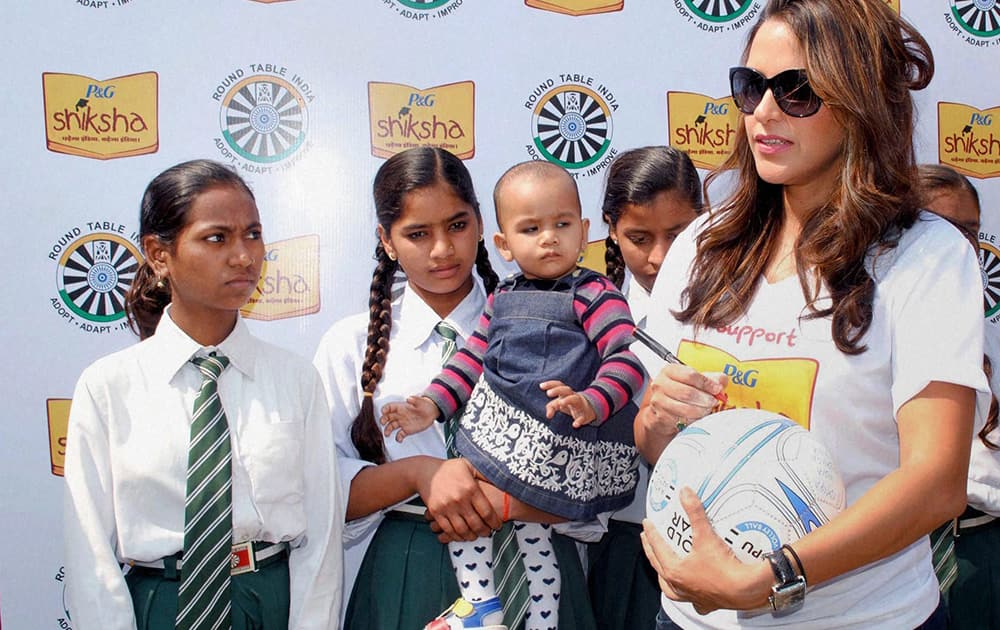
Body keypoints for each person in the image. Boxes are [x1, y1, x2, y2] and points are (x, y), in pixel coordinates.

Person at [633, 1, 991, 628]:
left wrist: (774, 577)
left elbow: (937, 481)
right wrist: (661, 419)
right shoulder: (701, 242)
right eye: (750, 87)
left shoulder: (926, 256)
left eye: (796, 90)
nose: (764, 112)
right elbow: (655, 444)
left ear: (863, 103)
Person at [313, 147, 600, 630]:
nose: (442, 250)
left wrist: (509, 501)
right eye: (417, 234)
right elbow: (320, 487)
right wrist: (420, 474)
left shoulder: (568, 321)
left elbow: (599, 469)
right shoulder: (350, 344)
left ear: (485, 226)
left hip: (540, 568)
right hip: (410, 568)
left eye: (457, 226)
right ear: (386, 240)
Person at [63, 159, 343, 630]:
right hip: (160, 607)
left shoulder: (296, 380)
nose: (243, 256)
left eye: (252, 234)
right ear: (158, 253)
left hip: (268, 603)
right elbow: (90, 552)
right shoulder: (108, 386)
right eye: (217, 238)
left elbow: (321, 539)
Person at [379, 160, 644, 630]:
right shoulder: (502, 299)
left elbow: (626, 359)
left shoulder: (597, 293)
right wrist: (432, 405)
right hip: (505, 441)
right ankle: (482, 601)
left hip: (562, 451)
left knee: (527, 533)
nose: (549, 238)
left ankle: (536, 618)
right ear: (502, 244)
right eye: (531, 228)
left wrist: (592, 400)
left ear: (584, 231)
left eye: (562, 224)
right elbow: (468, 361)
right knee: (472, 500)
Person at [587, 146, 703, 630]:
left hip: (717, 548)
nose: (659, 256)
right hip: (622, 544)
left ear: (704, 218)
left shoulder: (740, 313)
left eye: (677, 234)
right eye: (638, 237)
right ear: (611, 227)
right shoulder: (586, 315)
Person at [918, 163, 1000, 630]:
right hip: (895, 555)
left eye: (969, 232)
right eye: (941, 229)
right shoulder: (859, 331)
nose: (960, 248)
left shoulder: (988, 323)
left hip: (980, 548)